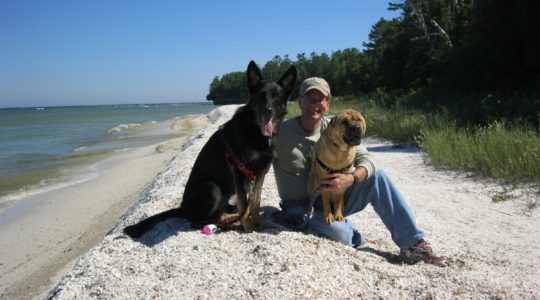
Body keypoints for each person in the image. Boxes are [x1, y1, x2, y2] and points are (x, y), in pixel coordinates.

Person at [272, 77, 447, 266]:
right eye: (309, 98)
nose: (314, 104)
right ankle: (353, 234)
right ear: (299, 102)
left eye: (320, 99)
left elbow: (368, 160)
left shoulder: (338, 126)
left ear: (328, 104)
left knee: (378, 176)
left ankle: (413, 244)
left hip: (335, 195)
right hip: (300, 207)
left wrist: (351, 178)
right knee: (343, 236)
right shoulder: (279, 131)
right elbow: (253, 162)